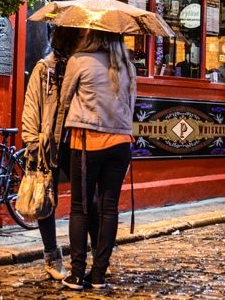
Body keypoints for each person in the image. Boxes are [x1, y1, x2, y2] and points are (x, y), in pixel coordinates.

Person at [59, 29, 136, 290]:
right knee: (108, 208)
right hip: (120, 144)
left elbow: (64, 100)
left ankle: (77, 274)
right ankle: (99, 274)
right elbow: (131, 106)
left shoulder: (79, 60)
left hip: (87, 142)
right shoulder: (127, 66)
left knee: (80, 207)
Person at [22, 26, 91, 280]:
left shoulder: (81, 68)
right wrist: (32, 143)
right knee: (45, 200)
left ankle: (81, 260)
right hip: (49, 143)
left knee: (85, 200)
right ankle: (51, 255)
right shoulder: (44, 69)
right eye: (80, 38)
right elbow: (32, 106)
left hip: (75, 141)